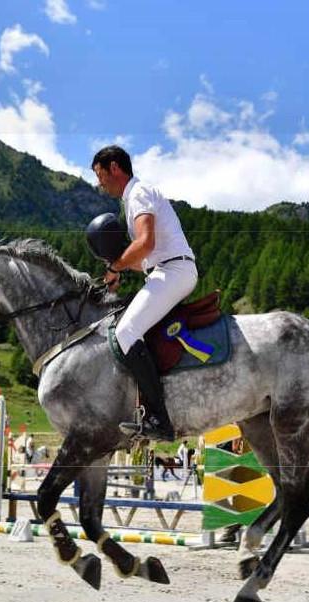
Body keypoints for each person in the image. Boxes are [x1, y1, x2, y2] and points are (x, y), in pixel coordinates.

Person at [90, 145, 197, 442]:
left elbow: (146, 243)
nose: (100, 184)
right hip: (168, 269)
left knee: (125, 332)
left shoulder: (138, 194)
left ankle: (159, 418)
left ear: (114, 168)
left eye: (100, 175)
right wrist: (119, 270)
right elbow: (143, 259)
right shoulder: (134, 198)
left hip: (174, 271)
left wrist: (115, 266)